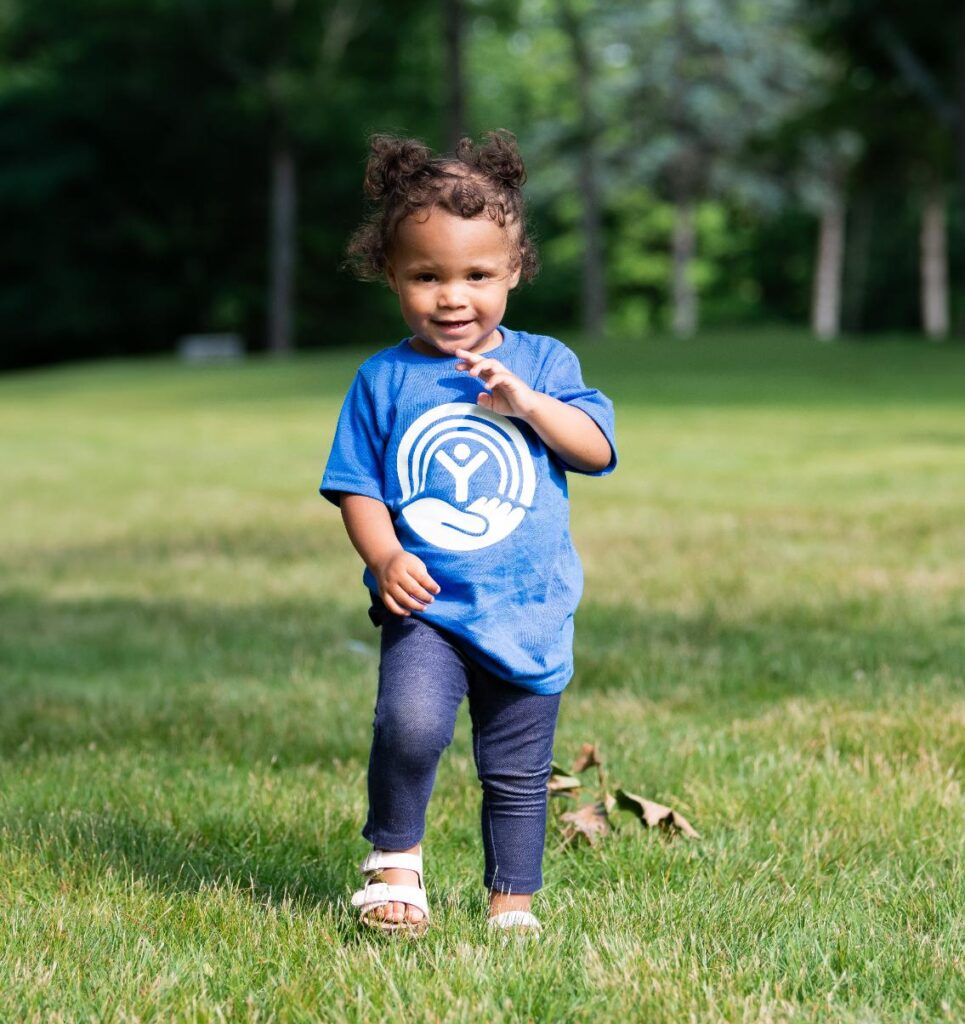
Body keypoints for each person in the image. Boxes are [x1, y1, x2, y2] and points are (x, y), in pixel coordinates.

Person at [320, 130, 617, 936]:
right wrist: (382, 555)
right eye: (426, 276)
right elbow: (355, 486)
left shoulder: (546, 363)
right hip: (432, 607)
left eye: (477, 275)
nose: (453, 297)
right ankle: (395, 866)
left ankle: (510, 907)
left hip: (528, 608)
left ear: (514, 272)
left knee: (515, 771)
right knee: (409, 727)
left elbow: (595, 451)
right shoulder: (383, 379)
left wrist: (526, 402)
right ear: (390, 275)